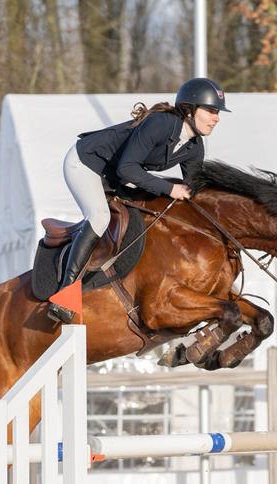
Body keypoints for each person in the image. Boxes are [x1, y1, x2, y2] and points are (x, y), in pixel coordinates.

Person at [47, 76, 231, 323]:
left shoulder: (194, 147)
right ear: (189, 109)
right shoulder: (160, 124)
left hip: (115, 176)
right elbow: (128, 169)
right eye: (210, 110)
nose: (216, 118)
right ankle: (64, 295)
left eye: (217, 112)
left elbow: (195, 191)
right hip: (86, 163)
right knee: (100, 217)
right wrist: (169, 188)